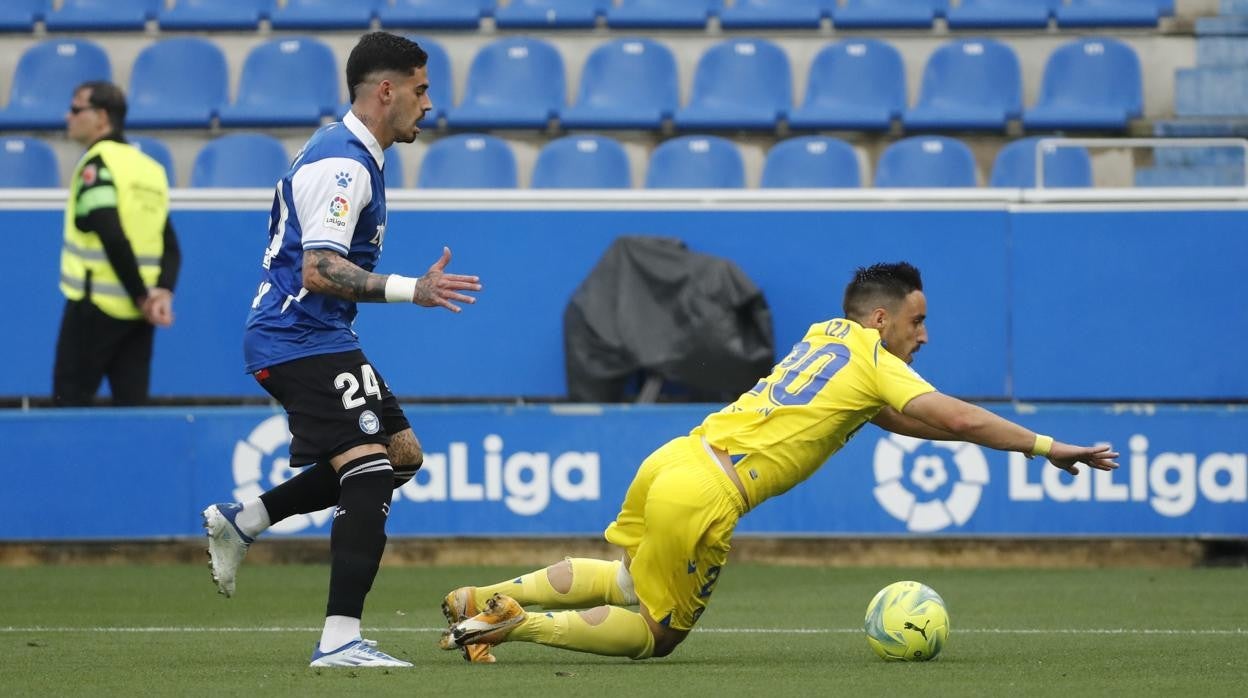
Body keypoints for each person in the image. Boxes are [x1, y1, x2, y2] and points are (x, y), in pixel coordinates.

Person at [438, 262, 1119, 663]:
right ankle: (513, 623)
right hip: (709, 494)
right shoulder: (876, 361)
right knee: (657, 631)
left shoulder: (827, 336)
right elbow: (957, 414)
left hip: (676, 456)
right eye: (916, 321)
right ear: (881, 321)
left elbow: (894, 420)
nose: (924, 335)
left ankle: (482, 597)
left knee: (626, 580)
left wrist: (965, 436)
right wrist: (1047, 447)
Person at [200, 32, 481, 668]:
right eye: (420, 88)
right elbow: (320, 270)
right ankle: (339, 639)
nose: (428, 104)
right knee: (370, 469)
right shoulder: (344, 162)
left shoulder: (353, 155)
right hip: (295, 337)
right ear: (387, 90)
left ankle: (244, 520)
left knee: (400, 455)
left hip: (317, 336)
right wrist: (416, 289)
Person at [53, 81, 180, 406]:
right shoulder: (150, 169)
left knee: (68, 410)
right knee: (133, 412)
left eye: (76, 108)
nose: (67, 116)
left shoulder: (98, 166)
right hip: (140, 318)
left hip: (94, 308)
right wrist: (160, 293)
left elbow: (111, 235)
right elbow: (171, 246)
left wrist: (141, 295)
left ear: (101, 116)